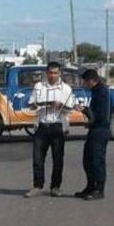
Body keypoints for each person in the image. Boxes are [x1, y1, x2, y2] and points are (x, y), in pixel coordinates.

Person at [25, 62, 74, 198]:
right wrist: (34, 105)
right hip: (42, 126)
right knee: (37, 159)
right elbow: (31, 105)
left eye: (55, 73)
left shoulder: (66, 89)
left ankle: (55, 187)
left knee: (58, 159)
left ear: (60, 74)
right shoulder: (39, 86)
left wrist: (61, 105)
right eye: (50, 73)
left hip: (57, 126)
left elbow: (70, 108)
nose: (53, 76)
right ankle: (37, 186)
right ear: (46, 73)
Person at [74, 68, 111, 201]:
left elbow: (100, 115)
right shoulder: (96, 91)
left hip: (100, 130)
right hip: (94, 129)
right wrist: (87, 113)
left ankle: (99, 189)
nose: (83, 84)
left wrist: (85, 111)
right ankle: (90, 186)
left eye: (84, 82)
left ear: (91, 81)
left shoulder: (102, 92)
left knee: (97, 161)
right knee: (87, 160)